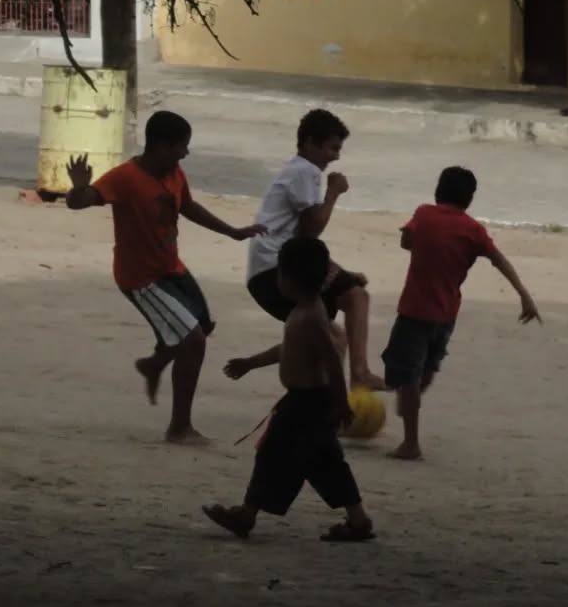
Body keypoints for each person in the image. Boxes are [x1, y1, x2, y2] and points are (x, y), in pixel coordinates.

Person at [65, 111, 266, 445]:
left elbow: (188, 206)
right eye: (181, 147)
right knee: (192, 341)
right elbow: (81, 203)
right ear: (161, 146)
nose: (185, 154)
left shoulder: (174, 172)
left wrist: (233, 232)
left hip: (171, 267)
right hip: (141, 278)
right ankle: (179, 427)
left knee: (202, 325)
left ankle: (154, 364)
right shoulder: (126, 177)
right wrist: (78, 187)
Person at [203, 236, 375, 542]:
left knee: (273, 455)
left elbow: (332, 363)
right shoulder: (307, 310)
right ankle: (358, 520)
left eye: (279, 273)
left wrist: (341, 403)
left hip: (309, 405)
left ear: (290, 279)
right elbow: (288, 349)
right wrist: (250, 363)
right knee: (325, 464)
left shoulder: (311, 317)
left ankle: (246, 514)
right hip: (307, 403)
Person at [383, 167, 541, 461]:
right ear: (469, 199)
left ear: (438, 190)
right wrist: (524, 295)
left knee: (405, 375)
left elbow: (406, 241)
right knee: (424, 371)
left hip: (414, 311)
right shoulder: (473, 230)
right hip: (446, 315)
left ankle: (410, 442)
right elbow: (499, 260)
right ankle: (411, 397)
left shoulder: (424, 214)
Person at [246, 109, 386, 390]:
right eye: (332, 148)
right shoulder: (305, 171)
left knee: (332, 333)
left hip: (269, 271)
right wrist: (333, 192)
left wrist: (339, 272)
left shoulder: (296, 170)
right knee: (356, 298)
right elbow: (311, 232)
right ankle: (358, 375)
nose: (335, 157)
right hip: (277, 272)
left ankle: (329, 396)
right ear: (310, 143)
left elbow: (302, 243)